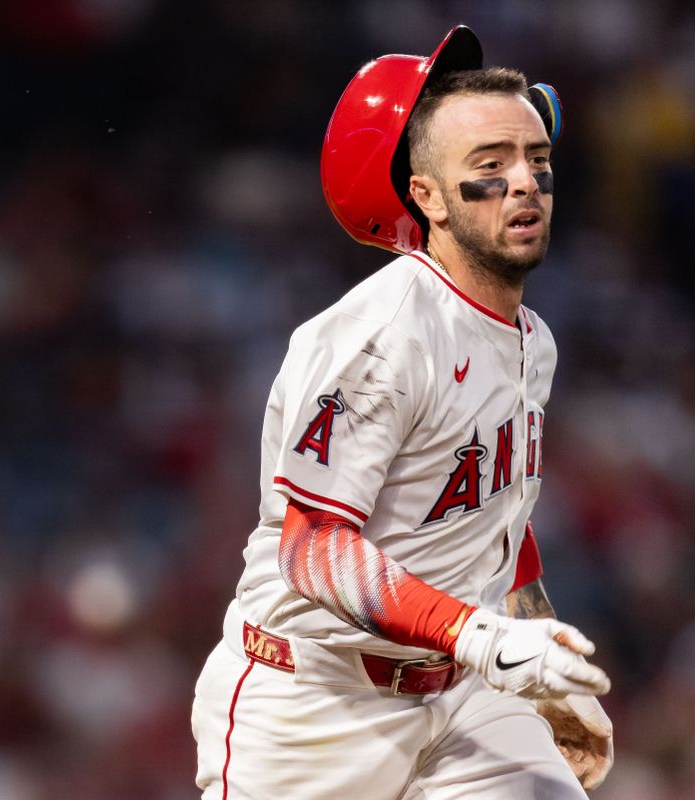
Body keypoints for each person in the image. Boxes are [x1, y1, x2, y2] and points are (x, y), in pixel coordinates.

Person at [191, 25, 614, 799]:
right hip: (313, 705)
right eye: (491, 166)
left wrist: (544, 663)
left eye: (537, 161)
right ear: (424, 195)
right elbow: (312, 548)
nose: (525, 182)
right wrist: (479, 635)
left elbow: (497, 522)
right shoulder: (380, 338)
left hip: (460, 692)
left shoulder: (532, 341)